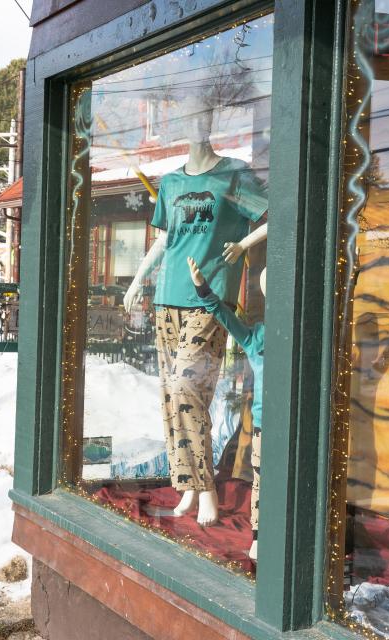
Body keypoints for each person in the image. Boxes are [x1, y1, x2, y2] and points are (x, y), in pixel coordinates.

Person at [124, 98, 268, 526]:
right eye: (189, 120)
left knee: (190, 391)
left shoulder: (233, 175)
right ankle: (188, 487)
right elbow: (165, 241)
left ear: (211, 123)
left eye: (202, 117)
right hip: (168, 297)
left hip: (211, 298)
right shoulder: (169, 183)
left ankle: (205, 490)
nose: (196, 125)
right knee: (172, 397)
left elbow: (277, 215)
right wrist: (137, 280)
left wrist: (243, 245)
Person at [188, 258, 265, 558]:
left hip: (293, 425)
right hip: (262, 423)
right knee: (261, 481)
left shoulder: (300, 331)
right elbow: (223, 315)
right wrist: (202, 288)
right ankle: (259, 535)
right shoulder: (255, 335)